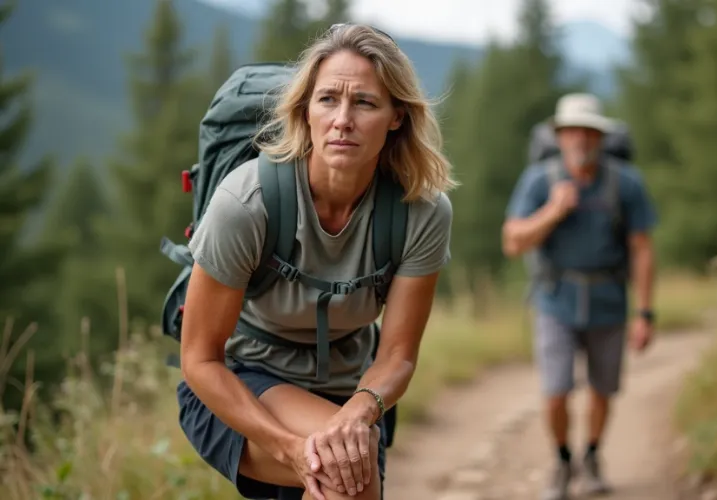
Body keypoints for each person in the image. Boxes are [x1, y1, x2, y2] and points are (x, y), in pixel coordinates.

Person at [175, 24, 455, 500]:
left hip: (350, 389)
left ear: (396, 117)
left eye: (364, 102)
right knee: (347, 473)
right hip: (242, 380)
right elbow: (200, 359)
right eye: (328, 99)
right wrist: (288, 448)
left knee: (347, 462)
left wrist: (356, 413)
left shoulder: (420, 212)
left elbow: (397, 355)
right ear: (306, 110)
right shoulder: (247, 203)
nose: (342, 119)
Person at [501, 93, 657, 499]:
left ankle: (591, 456)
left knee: (603, 390)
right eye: (572, 132)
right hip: (555, 301)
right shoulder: (540, 180)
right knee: (555, 392)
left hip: (609, 301)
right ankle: (562, 460)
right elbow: (513, 242)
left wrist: (644, 313)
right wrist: (553, 212)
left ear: (600, 137)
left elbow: (642, 248)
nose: (580, 140)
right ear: (560, 135)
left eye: (589, 132)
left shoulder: (626, 183)